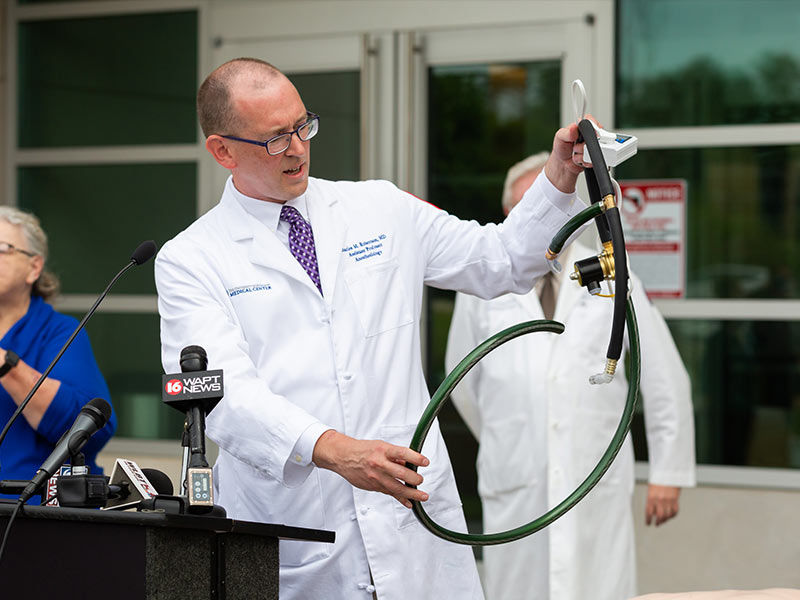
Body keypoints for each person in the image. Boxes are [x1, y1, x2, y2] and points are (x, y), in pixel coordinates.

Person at [155, 57, 591, 600]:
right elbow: (222, 396)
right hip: (295, 536)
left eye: (301, 126)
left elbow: (501, 259)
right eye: (273, 139)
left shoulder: (380, 207)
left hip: (411, 524)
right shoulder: (191, 258)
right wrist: (334, 449)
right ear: (222, 151)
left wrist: (558, 179)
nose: (296, 148)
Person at [445, 152, 696, 600]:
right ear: (510, 215)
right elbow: (462, 383)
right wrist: (517, 433)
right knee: (517, 587)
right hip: (516, 475)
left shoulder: (617, 276)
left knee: (597, 585)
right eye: (530, 206)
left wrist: (668, 471)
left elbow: (663, 378)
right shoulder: (482, 287)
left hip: (592, 470)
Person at [0, 206, 116, 503]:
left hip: (30, 513)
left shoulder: (58, 332)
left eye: (3, 248)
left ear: (34, 268)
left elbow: (89, 430)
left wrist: (7, 366)